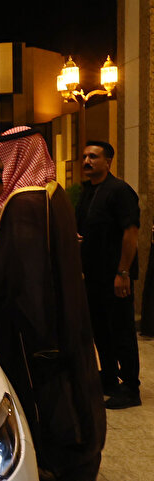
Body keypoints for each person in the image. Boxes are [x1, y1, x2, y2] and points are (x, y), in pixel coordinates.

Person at [0, 126, 105, 481]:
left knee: (40, 390)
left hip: (30, 323)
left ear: (19, 157)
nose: (0, 169)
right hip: (60, 310)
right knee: (69, 380)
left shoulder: (23, 203)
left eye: (4, 161)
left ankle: (46, 461)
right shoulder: (53, 193)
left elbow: (9, 271)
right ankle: (73, 460)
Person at [77, 141, 141, 409]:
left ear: (108, 161)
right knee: (101, 329)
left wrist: (122, 272)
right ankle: (110, 378)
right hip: (93, 276)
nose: (87, 161)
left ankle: (131, 387)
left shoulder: (119, 191)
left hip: (115, 275)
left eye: (93, 156)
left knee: (121, 330)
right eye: (84, 156)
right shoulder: (88, 192)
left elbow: (131, 232)